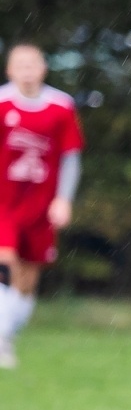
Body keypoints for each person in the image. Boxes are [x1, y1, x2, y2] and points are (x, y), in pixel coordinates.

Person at [0, 44, 84, 369]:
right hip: (4, 203)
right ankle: (2, 339)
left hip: (40, 206)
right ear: (9, 70)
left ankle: (8, 333)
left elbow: (70, 157)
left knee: (27, 279)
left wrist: (64, 198)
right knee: (5, 265)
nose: (26, 70)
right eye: (19, 64)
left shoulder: (60, 107)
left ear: (43, 69)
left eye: (32, 64)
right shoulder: (2, 103)